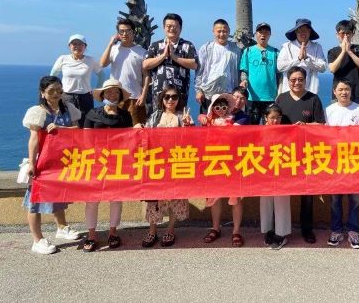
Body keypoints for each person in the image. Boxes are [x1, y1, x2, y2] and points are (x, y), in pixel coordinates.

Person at [22, 76, 82, 254]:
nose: (56, 94)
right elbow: (33, 139)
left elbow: (77, 130)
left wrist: (61, 129)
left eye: (59, 90)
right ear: (42, 93)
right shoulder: (38, 112)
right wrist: (32, 163)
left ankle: (62, 227)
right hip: (43, 161)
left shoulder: (68, 108)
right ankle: (37, 239)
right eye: (51, 91)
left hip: (62, 160)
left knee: (59, 195)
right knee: (35, 199)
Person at [137, 85, 193, 248]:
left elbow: (191, 141)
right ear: (162, 99)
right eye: (167, 97)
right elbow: (145, 136)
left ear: (179, 99)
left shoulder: (183, 116)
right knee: (155, 198)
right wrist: (139, 128)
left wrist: (189, 126)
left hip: (176, 162)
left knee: (176, 196)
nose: (170, 100)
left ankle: (170, 229)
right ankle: (152, 230)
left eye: (174, 97)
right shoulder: (155, 116)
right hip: (157, 163)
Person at [275, 66, 325, 243]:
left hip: (307, 152)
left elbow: (321, 125)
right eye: (293, 79)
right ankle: (280, 230)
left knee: (307, 193)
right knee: (281, 192)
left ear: (306, 80)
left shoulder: (313, 99)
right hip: (285, 152)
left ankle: (307, 229)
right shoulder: (281, 99)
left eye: (300, 79)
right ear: (288, 81)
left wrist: (306, 126)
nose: (297, 82)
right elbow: (274, 123)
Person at [82, 79, 133, 252]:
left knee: (116, 199)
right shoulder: (92, 114)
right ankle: (91, 235)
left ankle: (113, 232)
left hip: (117, 163)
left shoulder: (125, 115)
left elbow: (129, 139)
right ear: (103, 94)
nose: (112, 95)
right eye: (109, 91)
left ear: (120, 95)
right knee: (92, 200)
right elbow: (86, 140)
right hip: (95, 162)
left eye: (116, 92)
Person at [325, 79, 359, 249]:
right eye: (340, 89)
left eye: (347, 89)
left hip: (355, 162)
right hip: (335, 162)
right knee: (335, 199)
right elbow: (324, 136)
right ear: (334, 92)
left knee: (355, 198)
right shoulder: (329, 110)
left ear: (351, 91)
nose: (344, 92)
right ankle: (336, 231)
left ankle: (353, 231)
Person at [199, 93, 245, 247]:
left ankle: (236, 231)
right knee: (215, 197)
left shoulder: (237, 119)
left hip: (232, 162)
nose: (220, 110)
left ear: (228, 107)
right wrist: (200, 119)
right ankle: (215, 228)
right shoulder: (208, 121)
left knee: (235, 197)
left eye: (224, 107)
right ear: (212, 108)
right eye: (217, 107)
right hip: (214, 162)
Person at [100, 18, 150, 126]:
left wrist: (144, 95)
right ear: (118, 33)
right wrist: (110, 44)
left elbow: (146, 75)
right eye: (121, 31)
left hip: (135, 97)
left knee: (137, 128)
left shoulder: (142, 51)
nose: (124, 34)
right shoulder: (114, 49)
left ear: (133, 32)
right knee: (115, 129)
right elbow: (102, 64)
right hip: (116, 97)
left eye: (128, 30)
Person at [143, 13, 198, 111]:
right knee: (159, 119)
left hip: (180, 95)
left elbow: (194, 65)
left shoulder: (187, 45)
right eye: (169, 26)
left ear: (180, 28)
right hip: (159, 95)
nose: (172, 28)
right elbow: (145, 65)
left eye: (175, 26)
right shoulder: (155, 46)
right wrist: (163, 56)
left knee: (179, 119)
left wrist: (174, 57)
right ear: (164, 27)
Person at [50, 34, 104, 127]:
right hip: (66, 97)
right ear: (69, 46)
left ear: (85, 46)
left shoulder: (91, 60)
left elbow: (101, 75)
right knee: (67, 124)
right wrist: (57, 91)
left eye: (80, 44)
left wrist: (96, 90)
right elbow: (52, 76)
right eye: (74, 44)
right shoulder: (63, 59)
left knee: (85, 125)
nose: (77, 46)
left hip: (85, 98)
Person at [259, 104, 291, 250]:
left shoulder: (286, 132)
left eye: (278, 117)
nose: (275, 120)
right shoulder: (258, 131)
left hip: (282, 171)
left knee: (281, 201)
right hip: (264, 171)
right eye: (272, 118)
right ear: (266, 118)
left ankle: (281, 234)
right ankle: (268, 231)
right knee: (265, 201)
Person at [195, 19, 242, 114]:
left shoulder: (236, 49)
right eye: (219, 31)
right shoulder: (206, 48)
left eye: (224, 31)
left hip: (229, 94)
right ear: (213, 31)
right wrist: (198, 90)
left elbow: (239, 71)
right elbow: (199, 71)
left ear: (229, 31)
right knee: (207, 120)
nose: (222, 34)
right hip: (208, 93)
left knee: (228, 121)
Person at [239, 22, 279, 124]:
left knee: (270, 127)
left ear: (270, 35)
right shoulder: (248, 51)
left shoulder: (275, 52)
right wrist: (244, 81)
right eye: (260, 32)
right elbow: (244, 70)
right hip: (252, 97)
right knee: (252, 127)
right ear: (255, 34)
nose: (263, 35)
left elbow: (280, 74)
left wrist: (280, 91)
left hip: (271, 97)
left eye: (266, 32)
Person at [277, 18, 326, 94]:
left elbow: (323, 68)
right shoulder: (287, 46)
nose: (303, 33)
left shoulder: (316, 47)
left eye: (306, 30)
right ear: (296, 31)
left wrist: (307, 60)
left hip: (310, 93)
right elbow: (280, 67)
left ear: (310, 32)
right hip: (289, 93)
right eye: (300, 30)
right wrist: (298, 59)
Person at [327, 20, 359, 104]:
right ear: (337, 35)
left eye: (348, 33)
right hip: (338, 92)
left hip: (356, 92)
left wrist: (349, 51)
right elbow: (332, 69)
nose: (345, 36)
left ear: (352, 34)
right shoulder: (332, 51)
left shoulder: (358, 49)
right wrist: (343, 51)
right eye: (342, 33)